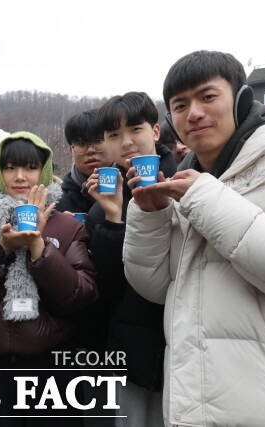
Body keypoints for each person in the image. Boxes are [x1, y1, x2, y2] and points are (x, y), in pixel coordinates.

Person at [123, 50, 265, 426]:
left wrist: (202, 197)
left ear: (241, 99)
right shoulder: (182, 187)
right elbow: (155, 287)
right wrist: (151, 215)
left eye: (208, 97)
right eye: (180, 105)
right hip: (197, 400)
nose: (194, 113)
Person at [0, 131, 97, 426]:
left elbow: (80, 297)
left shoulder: (67, 225)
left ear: (44, 172)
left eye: (30, 167)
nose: (20, 176)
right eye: (10, 167)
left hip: (50, 374)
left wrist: (39, 247)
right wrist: (1, 249)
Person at [82, 92, 177, 427]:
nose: (125, 143)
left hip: (184, 345)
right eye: (113, 135)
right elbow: (106, 284)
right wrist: (112, 218)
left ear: (155, 131)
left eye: (134, 129)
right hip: (132, 352)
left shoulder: (186, 180)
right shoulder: (103, 201)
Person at [56, 109, 114, 214]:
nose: (91, 150)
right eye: (82, 144)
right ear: (71, 150)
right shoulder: (59, 199)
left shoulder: (132, 184)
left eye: (98, 140)